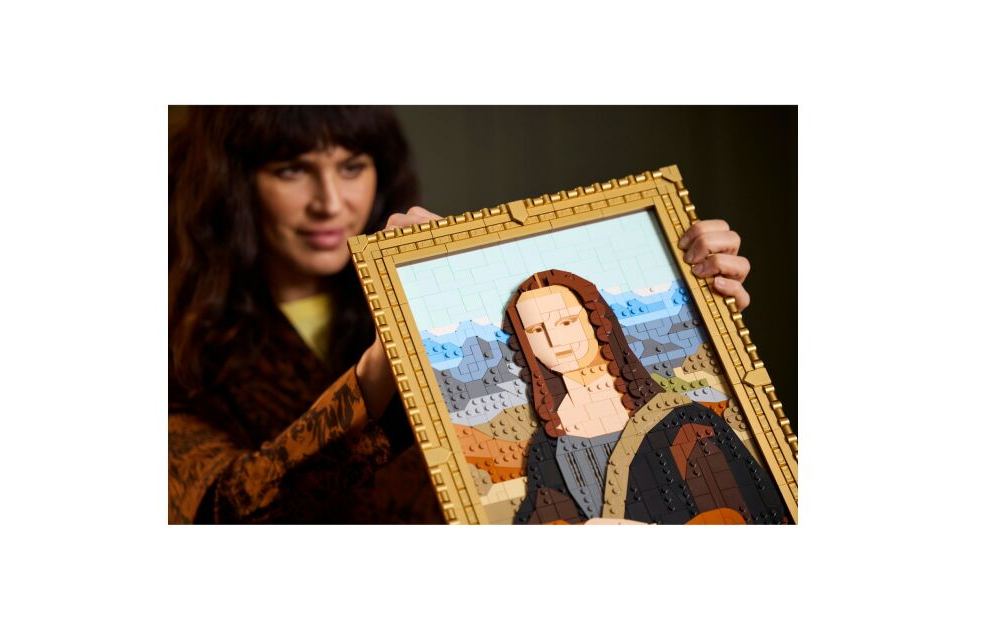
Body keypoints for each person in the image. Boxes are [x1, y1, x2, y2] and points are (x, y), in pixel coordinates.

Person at [168, 105, 757, 524]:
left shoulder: (444, 295)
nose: (330, 202)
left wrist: (690, 288)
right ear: (233, 181)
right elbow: (215, 515)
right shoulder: (172, 336)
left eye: (351, 167)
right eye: (292, 169)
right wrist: (380, 369)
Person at [506, 270, 787, 524]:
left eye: (566, 322)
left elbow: (746, 512)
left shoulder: (684, 421)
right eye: (536, 330)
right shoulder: (546, 445)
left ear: (596, 320)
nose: (553, 340)